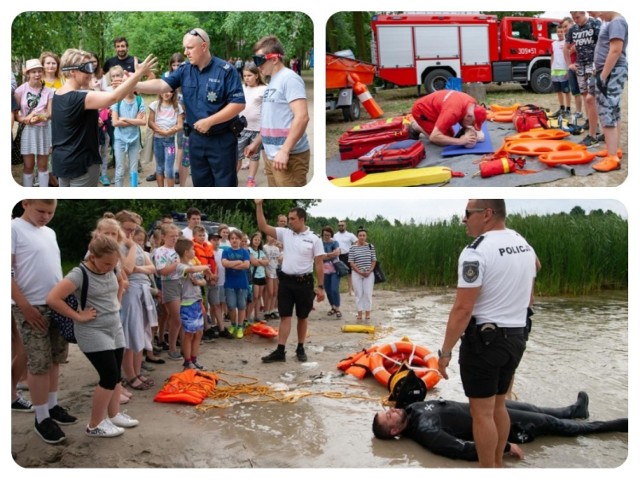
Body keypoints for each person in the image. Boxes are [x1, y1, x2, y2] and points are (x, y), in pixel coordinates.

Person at [437, 199, 538, 467]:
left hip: (485, 341)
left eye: (468, 214)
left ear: (487, 214)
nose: (463, 219)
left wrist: (445, 352)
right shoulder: (520, 241)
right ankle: (497, 465)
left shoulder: (475, 252)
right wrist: (526, 298)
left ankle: (487, 468)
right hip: (517, 337)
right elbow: (536, 266)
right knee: (499, 405)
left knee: (481, 413)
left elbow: (462, 309)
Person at [47, 235, 139, 438]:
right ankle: (94, 425)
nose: (110, 267)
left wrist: (117, 302)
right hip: (92, 331)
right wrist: (77, 316)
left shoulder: (113, 267)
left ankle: (113, 415)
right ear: (92, 257)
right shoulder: (79, 274)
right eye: (106, 263)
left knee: (116, 376)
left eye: (114, 263)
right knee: (107, 376)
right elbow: (53, 298)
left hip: (114, 327)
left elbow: (120, 282)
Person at [135, 28, 246, 187]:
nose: (185, 52)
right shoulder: (184, 70)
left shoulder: (226, 71)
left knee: (224, 186)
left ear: (204, 46)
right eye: (184, 48)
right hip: (196, 139)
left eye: (189, 47)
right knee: (201, 184)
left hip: (221, 139)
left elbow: (238, 103)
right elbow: (162, 85)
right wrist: (134, 83)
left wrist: (210, 121)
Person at [372, 392, 627, 462]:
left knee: (532, 408)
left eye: (387, 410)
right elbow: (459, 448)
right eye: (389, 418)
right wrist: (503, 446)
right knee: (552, 425)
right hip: (506, 427)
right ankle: (615, 426)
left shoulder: (412, 409)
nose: (391, 411)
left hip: (491, 408)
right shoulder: (425, 433)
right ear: (395, 432)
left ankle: (576, 411)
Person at [11, 199, 78, 444]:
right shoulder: (13, 228)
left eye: (50, 212)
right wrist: (24, 307)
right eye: (41, 211)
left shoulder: (49, 231)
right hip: (30, 306)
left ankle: (52, 406)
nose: (46, 216)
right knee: (38, 362)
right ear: (25, 203)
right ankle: (41, 418)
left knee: (55, 358)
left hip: (54, 303)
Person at [51, 48, 156, 187]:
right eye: (86, 68)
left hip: (63, 162)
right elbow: (114, 97)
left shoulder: (58, 94)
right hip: (81, 163)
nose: (91, 72)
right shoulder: (78, 98)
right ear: (72, 71)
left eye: (92, 67)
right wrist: (138, 74)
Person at [255, 200, 325, 363]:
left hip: (304, 283)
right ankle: (280, 351)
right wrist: (259, 205)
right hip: (286, 282)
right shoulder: (285, 233)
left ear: (301, 219)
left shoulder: (314, 238)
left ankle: (300, 348)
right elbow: (263, 227)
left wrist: (321, 287)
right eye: (288, 218)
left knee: (302, 317)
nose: (289, 221)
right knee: (285, 316)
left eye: (292, 219)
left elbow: (320, 263)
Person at [244, 36, 311, 187]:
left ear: (274, 59)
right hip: (272, 156)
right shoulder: (272, 82)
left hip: (289, 157)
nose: (257, 65)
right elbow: (271, 121)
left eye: (259, 60)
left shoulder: (289, 79)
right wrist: (256, 144)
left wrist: (285, 151)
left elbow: (302, 117)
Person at [116, 210, 157, 391]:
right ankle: (130, 374)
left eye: (133, 230)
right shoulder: (120, 245)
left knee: (141, 331)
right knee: (129, 333)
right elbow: (128, 268)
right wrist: (132, 248)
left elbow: (152, 268)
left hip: (142, 290)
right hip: (128, 292)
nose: (130, 234)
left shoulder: (136, 245)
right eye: (128, 229)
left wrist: (138, 268)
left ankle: (137, 371)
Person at [588, 11, 628, 173]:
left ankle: (612, 157)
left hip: (611, 72)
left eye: (594, 12)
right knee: (613, 110)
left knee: (606, 111)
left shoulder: (616, 22)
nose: (596, 17)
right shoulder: (612, 22)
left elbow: (615, 50)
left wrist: (602, 76)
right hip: (611, 71)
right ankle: (614, 149)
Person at [14, 59, 54, 188]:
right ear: (28, 73)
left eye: (39, 71)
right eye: (33, 72)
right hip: (27, 131)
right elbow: (15, 114)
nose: (37, 74)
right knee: (28, 166)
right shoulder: (20, 90)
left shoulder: (49, 91)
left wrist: (41, 116)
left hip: (43, 130)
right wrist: (25, 119)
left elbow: (50, 113)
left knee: (43, 166)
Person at [564, 11, 601, 147]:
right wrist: (569, 64)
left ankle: (594, 134)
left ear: (583, 13)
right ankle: (593, 126)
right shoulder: (573, 29)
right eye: (573, 18)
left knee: (593, 98)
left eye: (577, 17)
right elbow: (566, 47)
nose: (575, 20)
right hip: (580, 66)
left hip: (593, 65)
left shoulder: (595, 23)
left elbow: (604, 44)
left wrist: (599, 65)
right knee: (586, 97)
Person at [174, 238, 210, 370]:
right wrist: (206, 267)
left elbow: (204, 282)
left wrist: (199, 282)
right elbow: (192, 270)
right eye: (192, 249)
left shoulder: (193, 264)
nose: (194, 251)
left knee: (198, 333)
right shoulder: (181, 266)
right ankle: (187, 361)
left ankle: (194, 359)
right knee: (189, 334)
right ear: (185, 252)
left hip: (197, 301)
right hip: (187, 304)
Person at [409, 90, 487, 147]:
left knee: (450, 136)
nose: (471, 126)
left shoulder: (472, 104)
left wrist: (469, 131)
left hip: (438, 109)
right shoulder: (453, 112)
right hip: (422, 111)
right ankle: (416, 126)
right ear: (469, 116)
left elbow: (464, 120)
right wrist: (461, 141)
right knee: (441, 141)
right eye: (472, 124)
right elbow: (434, 137)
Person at [110, 65, 146, 187]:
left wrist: (125, 119)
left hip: (134, 140)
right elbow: (115, 122)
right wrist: (135, 120)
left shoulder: (140, 100)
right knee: (119, 172)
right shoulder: (117, 100)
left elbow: (143, 122)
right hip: (120, 139)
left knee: (133, 171)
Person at [152, 223, 183, 360]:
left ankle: (176, 343)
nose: (175, 239)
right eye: (172, 236)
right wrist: (178, 263)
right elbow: (162, 271)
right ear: (164, 236)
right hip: (169, 283)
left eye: (176, 236)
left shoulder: (178, 250)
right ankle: (172, 348)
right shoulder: (160, 251)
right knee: (175, 317)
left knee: (177, 316)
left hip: (181, 283)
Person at [238, 62, 268, 187]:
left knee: (254, 156)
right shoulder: (241, 88)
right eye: (244, 76)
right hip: (241, 128)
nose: (246, 78)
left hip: (257, 129)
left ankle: (251, 179)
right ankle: (232, 176)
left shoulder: (265, 89)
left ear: (256, 75)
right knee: (237, 155)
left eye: (249, 75)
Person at [148, 88, 183, 187]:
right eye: (164, 90)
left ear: (173, 93)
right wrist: (160, 131)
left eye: (170, 91)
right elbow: (150, 122)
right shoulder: (154, 105)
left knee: (169, 169)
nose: (166, 94)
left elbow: (180, 125)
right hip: (157, 141)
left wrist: (168, 132)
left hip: (170, 142)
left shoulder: (177, 107)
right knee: (159, 168)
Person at [348, 227, 377, 323]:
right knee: (358, 293)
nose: (362, 237)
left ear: (366, 236)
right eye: (360, 235)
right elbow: (351, 262)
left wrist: (369, 270)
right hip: (356, 273)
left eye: (364, 235)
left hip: (369, 273)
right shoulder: (352, 247)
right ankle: (359, 313)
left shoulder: (370, 246)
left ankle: (368, 313)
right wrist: (359, 271)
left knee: (368, 293)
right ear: (357, 236)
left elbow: (373, 260)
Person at [560, 17, 584, 120]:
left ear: (572, 23)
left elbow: (578, 48)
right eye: (563, 27)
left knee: (584, 92)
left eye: (566, 26)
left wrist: (571, 50)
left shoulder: (578, 34)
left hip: (579, 66)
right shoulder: (568, 38)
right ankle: (578, 112)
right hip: (571, 67)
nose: (564, 29)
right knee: (575, 92)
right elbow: (567, 52)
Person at [549, 24, 571, 118]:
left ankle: (568, 109)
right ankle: (561, 108)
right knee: (558, 91)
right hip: (555, 70)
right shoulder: (553, 44)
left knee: (566, 91)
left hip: (564, 69)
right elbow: (552, 56)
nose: (560, 33)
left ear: (564, 32)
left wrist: (567, 70)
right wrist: (551, 69)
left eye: (561, 32)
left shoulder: (567, 43)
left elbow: (569, 56)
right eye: (558, 32)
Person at [247, 232, 269, 322]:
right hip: (254, 276)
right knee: (254, 297)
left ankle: (257, 316)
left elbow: (267, 262)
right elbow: (254, 262)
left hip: (262, 276)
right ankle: (248, 317)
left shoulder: (261, 251)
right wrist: (261, 262)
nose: (257, 241)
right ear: (252, 240)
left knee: (259, 296)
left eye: (258, 240)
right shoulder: (249, 250)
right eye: (255, 239)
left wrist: (259, 261)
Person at [321, 226, 342, 318]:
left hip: (335, 269)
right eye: (325, 235)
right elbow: (320, 257)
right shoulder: (320, 243)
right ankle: (332, 307)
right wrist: (331, 254)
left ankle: (337, 308)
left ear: (331, 235)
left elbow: (337, 253)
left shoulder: (335, 242)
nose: (327, 236)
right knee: (328, 290)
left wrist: (326, 255)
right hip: (324, 270)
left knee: (334, 289)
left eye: (328, 235)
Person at [333, 220, 357, 296]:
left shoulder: (350, 235)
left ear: (345, 226)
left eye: (342, 225)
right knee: (337, 273)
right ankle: (336, 290)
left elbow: (357, 242)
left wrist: (353, 250)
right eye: (339, 225)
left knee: (349, 273)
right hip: (337, 256)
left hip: (347, 255)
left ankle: (350, 290)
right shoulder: (335, 235)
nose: (341, 227)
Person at [262, 234, 282, 320]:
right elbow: (264, 260)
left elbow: (278, 259)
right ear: (267, 237)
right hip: (269, 271)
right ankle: (266, 311)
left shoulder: (276, 248)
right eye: (270, 236)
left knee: (275, 292)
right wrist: (266, 271)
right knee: (269, 292)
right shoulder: (264, 247)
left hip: (275, 271)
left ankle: (271, 310)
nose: (272, 238)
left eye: (273, 237)